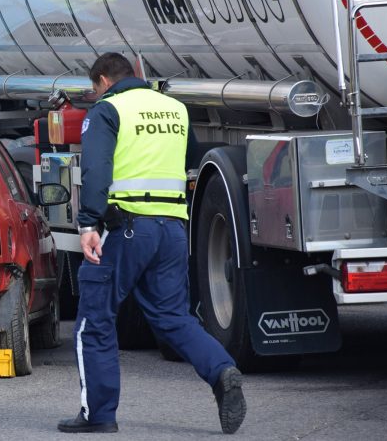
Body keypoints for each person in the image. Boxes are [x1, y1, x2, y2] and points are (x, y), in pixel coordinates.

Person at [57, 53, 246, 434]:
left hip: (126, 227)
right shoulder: (174, 109)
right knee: (173, 317)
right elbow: (192, 161)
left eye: (95, 89)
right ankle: (222, 370)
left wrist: (88, 223)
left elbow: (95, 169)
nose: (95, 95)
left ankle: (98, 415)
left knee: (94, 320)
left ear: (104, 81)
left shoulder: (108, 110)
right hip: (172, 229)